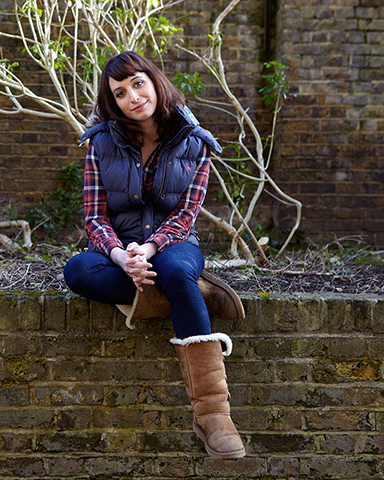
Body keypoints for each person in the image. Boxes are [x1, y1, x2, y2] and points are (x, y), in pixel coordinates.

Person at [63, 51, 246, 459]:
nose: (133, 97)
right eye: (120, 92)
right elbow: (94, 215)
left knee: (176, 271)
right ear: (114, 101)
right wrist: (119, 255)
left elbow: (186, 215)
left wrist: (148, 249)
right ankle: (193, 294)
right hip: (120, 249)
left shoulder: (196, 142)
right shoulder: (100, 143)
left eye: (138, 83)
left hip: (175, 245)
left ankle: (215, 417)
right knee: (77, 270)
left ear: (154, 81)